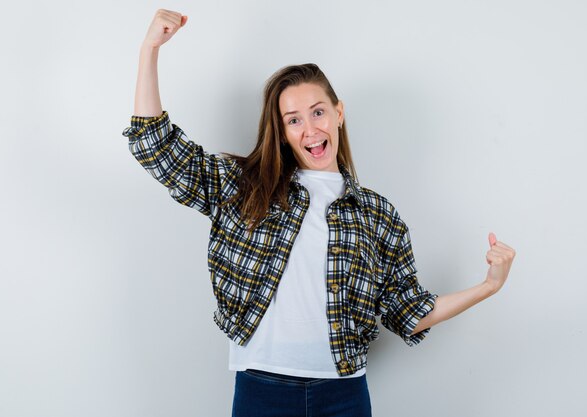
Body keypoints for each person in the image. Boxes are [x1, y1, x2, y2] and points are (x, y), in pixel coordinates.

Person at [122, 9, 516, 417]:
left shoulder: (377, 215)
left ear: (338, 113)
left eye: (318, 112)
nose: (310, 129)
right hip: (262, 387)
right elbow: (156, 146)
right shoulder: (245, 188)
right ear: (283, 131)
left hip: (343, 396)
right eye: (294, 120)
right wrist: (150, 49)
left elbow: (408, 311)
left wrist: (489, 286)